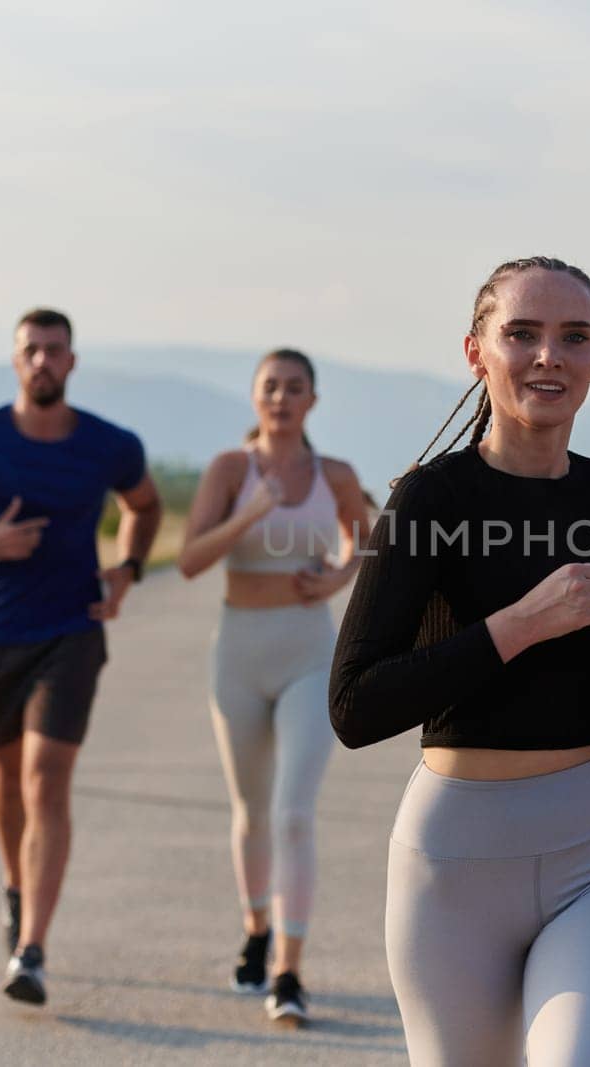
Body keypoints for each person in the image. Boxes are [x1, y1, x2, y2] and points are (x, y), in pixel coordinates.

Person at [330, 256, 590, 1065]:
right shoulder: (431, 501)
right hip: (455, 862)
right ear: (476, 352)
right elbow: (355, 705)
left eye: (574, 337)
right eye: (521, 334)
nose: (548, 356)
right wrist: (518, 625)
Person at [0, 308, 161, 1005]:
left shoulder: (110, 443)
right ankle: (16, 888)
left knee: (46, 778)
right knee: (6, 776)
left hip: (71, 630)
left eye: (55, 350)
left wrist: (127, 568)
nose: (43, 361)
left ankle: (32, 949)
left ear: (73, 361)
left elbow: (144, 504)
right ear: (16, 361)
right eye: (31, 350)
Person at [178, 348, 370, 1026]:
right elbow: (189, 561)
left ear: (313, 400)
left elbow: (370, 537)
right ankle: (256, 927)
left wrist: (341, 574)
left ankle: (289, 969)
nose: (282, 398)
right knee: (251, 811)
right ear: (254, 397)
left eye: (295, 388)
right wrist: (247, 512)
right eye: (270, 387)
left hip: (309, 651)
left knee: (293, 813)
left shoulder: (335, 473)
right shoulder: (231, 469)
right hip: (238, 651)